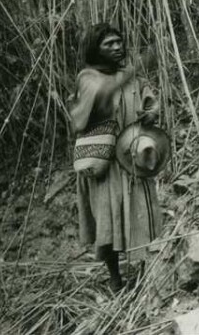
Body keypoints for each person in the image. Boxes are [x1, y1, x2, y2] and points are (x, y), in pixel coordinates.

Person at [68, 23, 161, 292]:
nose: (118, 47)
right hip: (104, 163)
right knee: (107, 219)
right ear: (96, 50)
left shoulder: (131, 76)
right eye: (109, 44)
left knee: (140, 212)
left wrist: (151, 111)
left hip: (132, 158)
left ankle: (145, 271)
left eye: (119, 41)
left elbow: (148, 96)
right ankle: (115, 277)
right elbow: (81, 115)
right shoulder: (87, 78)